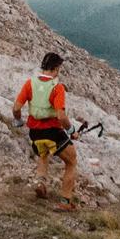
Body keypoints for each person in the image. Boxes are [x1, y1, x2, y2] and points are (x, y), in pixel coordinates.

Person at [14, 52, 79, 210]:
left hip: (34, 132)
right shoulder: (57, 88)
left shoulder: (30, 83)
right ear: (56, 68)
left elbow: (16, 107)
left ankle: (41, 183)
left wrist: (18, 121)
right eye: (59, 69)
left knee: (43, 155)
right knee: (71, 162)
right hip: (53, 131)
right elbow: (61, 116)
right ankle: (65, 202)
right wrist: (71, 130)